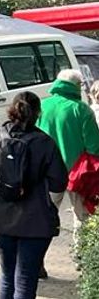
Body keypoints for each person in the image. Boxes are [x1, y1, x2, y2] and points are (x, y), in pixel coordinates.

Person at [0, 92, 68, 299]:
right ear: (38, 113)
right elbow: (59, 181)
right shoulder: (45, 143)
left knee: (7, 277)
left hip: (0, 218)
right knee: (26, 279)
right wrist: (50, 202)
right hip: (35, 220)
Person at [36, 69, 99, 241]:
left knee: (44, 214)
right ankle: (81, 255)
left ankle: (36, 256)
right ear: (76, 86)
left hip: (47, 171)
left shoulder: (43, 106)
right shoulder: (82, 110)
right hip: (78, 173)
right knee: (83, 216)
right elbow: (94, 147)